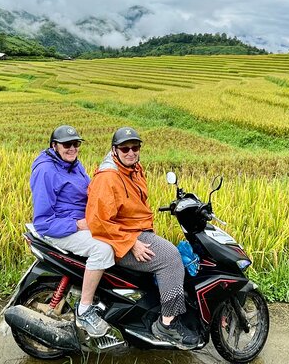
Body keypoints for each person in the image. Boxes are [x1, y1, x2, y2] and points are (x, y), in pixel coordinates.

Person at [86, 126, 199, 349]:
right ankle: (166, 325)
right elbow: (99, 222)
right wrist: (132, 243)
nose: (131, 152)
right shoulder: (108, 177)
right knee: (171, 258)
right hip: (119, 240)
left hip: (135, 232)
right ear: (114, 150)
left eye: (135, 147)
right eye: (125, 148)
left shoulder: (135, 169)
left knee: (166, 250)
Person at [30, 125, 115, 338]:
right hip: (60, 228)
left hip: (82, 221)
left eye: (76, 144)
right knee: (103, 250)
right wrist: (77, 224)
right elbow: (43, 221)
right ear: (54, 146)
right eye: (67, 144)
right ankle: (85, 310)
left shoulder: (73, 164)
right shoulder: (46, 171)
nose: (72, 148)